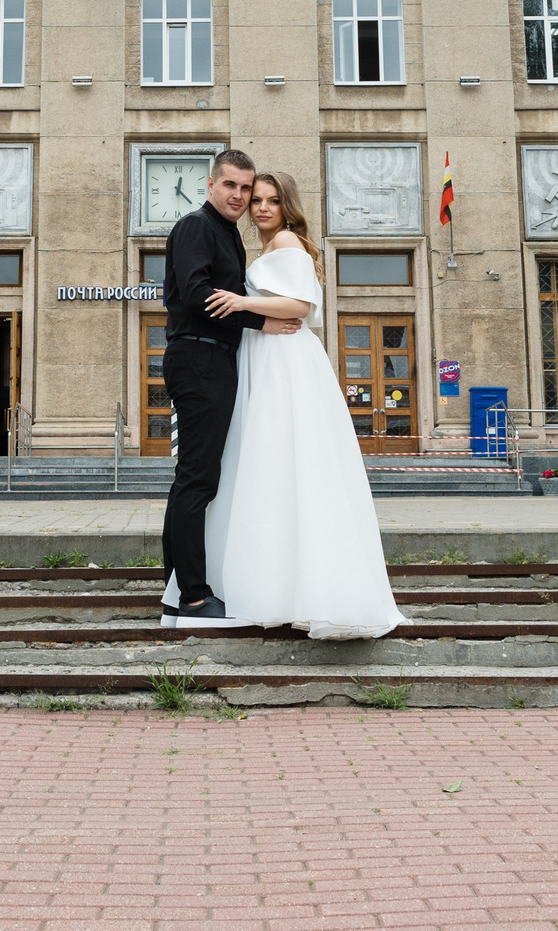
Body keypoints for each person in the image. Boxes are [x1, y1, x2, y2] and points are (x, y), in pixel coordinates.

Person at [193, 170, 403, 641]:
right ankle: (276, 582)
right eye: (257, 200)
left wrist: (242, 303)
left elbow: (301, 307)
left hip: (283, 358)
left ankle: (290, 588)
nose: (262, 208)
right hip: (266, 352)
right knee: (272, 465)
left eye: (272, 200)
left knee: (280, 455)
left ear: (287, 207)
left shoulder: (287, 242)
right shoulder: (270, 247)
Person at [156, 148, 287, 628]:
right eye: (230, 184)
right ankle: (193, 596)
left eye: (246, 188)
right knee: (198, 478)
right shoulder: (197, 226)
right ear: (210, 184)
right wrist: (260, 321)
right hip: (199, 358)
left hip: (210, 358)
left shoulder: (227, 233)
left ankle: (177, 586)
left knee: (195, 477)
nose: (239, 195)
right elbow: (197, 294)